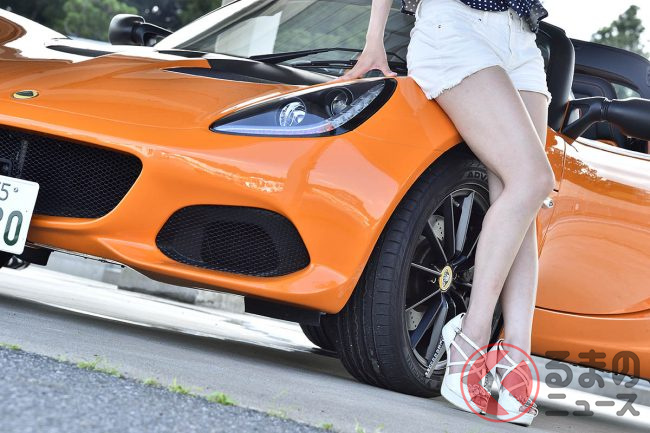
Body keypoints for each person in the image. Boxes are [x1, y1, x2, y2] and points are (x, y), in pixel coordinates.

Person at [328, 0, 555, 426]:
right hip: (456, 27)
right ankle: (471, 339)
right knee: (533, 180)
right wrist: (374, 40)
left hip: (523, 39)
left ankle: (516, 355)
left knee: (521, 202)